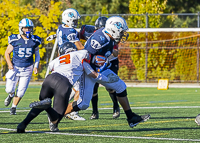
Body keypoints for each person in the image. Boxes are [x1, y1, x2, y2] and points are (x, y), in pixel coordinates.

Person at [64, 16, 151, 128]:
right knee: (83, 104)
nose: (123, 34)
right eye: (121, 32)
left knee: (120, 86)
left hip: (98, 69)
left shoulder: (108, 37)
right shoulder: (100, 39)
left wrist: (103, 63)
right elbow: (84, 59)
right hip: (88, 71)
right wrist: (93, 73)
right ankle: (56, 114)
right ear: (113, 30)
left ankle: (131, 117)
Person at [17, 42, 118, 133]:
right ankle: (48, 108)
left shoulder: (56, 60)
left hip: (49, 79)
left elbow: (53, 67)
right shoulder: (81, 55)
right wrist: (106, 78)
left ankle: (23, 124)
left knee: (39, 106)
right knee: (57, 117)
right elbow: (93, 74)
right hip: (64, 83)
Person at [4, 18, 41, 115]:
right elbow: (7, 53)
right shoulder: (15, 39)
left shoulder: (34, 40)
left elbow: (37, 54)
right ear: (21, 28)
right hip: (15, 67)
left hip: (28, 68)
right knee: (9, 89)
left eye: (29, 28)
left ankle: (13, 107)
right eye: (25, 28)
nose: (27, 30)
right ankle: (11, 95)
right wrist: (9, 64)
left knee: (21, 92)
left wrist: (36, 66)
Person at [56, 8, 85, 121]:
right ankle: (72, 111)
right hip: (72, 61)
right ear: (68, 20)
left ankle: (61, 106)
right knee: (80, 87)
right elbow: (80, 47)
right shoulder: (71, 31)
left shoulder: (60, 27)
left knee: (73, 87)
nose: (76, 22)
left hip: (63, 60)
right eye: (74, 20)